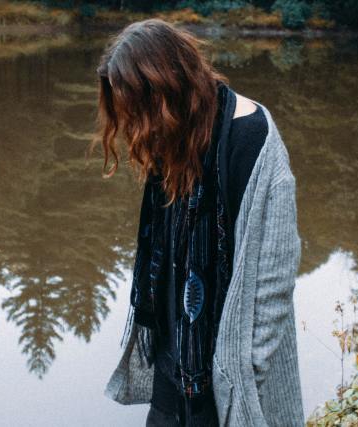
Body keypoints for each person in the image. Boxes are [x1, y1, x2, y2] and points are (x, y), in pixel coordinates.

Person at [96, 19, 303, 427]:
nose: (134, 124)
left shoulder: (251, 135)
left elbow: (276, 274)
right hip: (175, 360)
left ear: (166, 88)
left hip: (230, 372)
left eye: (137, 106)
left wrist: (245, 370)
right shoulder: (174, 134)